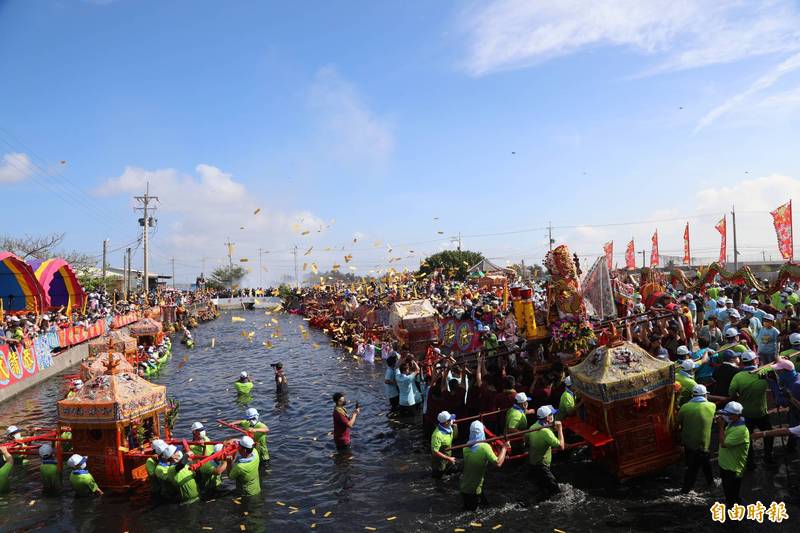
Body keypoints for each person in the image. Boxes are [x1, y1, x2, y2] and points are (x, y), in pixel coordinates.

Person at [728, 351, 773, 466]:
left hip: (745, 414)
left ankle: (750, 462)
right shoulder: (764, 371)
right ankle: (768, 457)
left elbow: (731, 393)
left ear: (743, 362)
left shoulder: (738, 376)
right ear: (755, 361)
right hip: (761, 412)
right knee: (769, 434)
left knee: (746, 438)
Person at [459, 420, 509, 511]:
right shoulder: (484, 447)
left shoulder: (465, 447)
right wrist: (504, 448)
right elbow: (498, 463)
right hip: (474, 490)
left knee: (485, 506)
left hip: (466, 488)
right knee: (474, 515)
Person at [677, 384, 716, 492]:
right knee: (700, 466)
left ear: (692, 395)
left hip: (688, 443)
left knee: (695, 465)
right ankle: (685, 491)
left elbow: (678, 423)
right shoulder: (712, 406)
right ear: (705, 395)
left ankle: (709, 483)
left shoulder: (685, 407)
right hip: (703, 444)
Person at [527, 405, 565, 500]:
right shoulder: (546, 432)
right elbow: (561, 446)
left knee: (543, 492)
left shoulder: (533, 426)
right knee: (557, 493)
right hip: (542, 466)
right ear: (547, 417)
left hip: (534, 464)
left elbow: (526, 438)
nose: (553, 416)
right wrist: (560, 429)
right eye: (551, 414)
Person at [717, 401, 749, 506]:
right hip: (727, 465)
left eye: (729, 415)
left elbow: (723, 444)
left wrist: (721, 426)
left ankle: (733, 518)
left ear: (737, 415)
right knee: (732, 494)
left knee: (731, 495)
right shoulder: (733, 423)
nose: (726, 416)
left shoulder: (740, 430)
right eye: (726, 414)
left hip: (732, 469)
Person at [431, 411, 458, 479]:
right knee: (438, 478)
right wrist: (448, 458)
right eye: (450, 420)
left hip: (448, 458)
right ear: (446, 422)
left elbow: (454, 437)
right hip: (440, 462)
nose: (452, 420)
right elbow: (435, 451)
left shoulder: (449, 428)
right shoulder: (437, 435)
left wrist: (455, 427)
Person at [189, 422, 214, 488]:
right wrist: (203, 447)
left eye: (202, 429)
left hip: (214, 462)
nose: (202, 431)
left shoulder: (206, 438)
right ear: (194, 432)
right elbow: (201, 460)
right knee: (206, 485)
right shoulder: (192, 446)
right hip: (204, 469)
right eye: (200, 430)